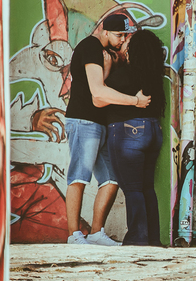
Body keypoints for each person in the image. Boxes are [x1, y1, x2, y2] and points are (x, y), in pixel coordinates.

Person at [63, 13, 151, 245]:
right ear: (104, 31)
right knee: (79, 176)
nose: (122, 39)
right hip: (83, 121)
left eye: (125, 35)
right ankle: (74, 235)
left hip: (101, 123)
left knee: (111, 179)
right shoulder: (91, 47)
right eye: (119, 35)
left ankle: (95, 233)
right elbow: (98, 93)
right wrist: (135, 101)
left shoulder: (108, 54)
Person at [99, 29, 166, 247]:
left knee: (132, 188)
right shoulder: (154, 76)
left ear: (134, 51)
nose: (124, 46)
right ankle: (152, 239)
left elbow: (100, 95)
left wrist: (110, 65)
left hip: (129, 132)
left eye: (128, 44)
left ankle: (137, 238)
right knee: (146, 188)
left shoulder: (125, 75)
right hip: (153, 131)